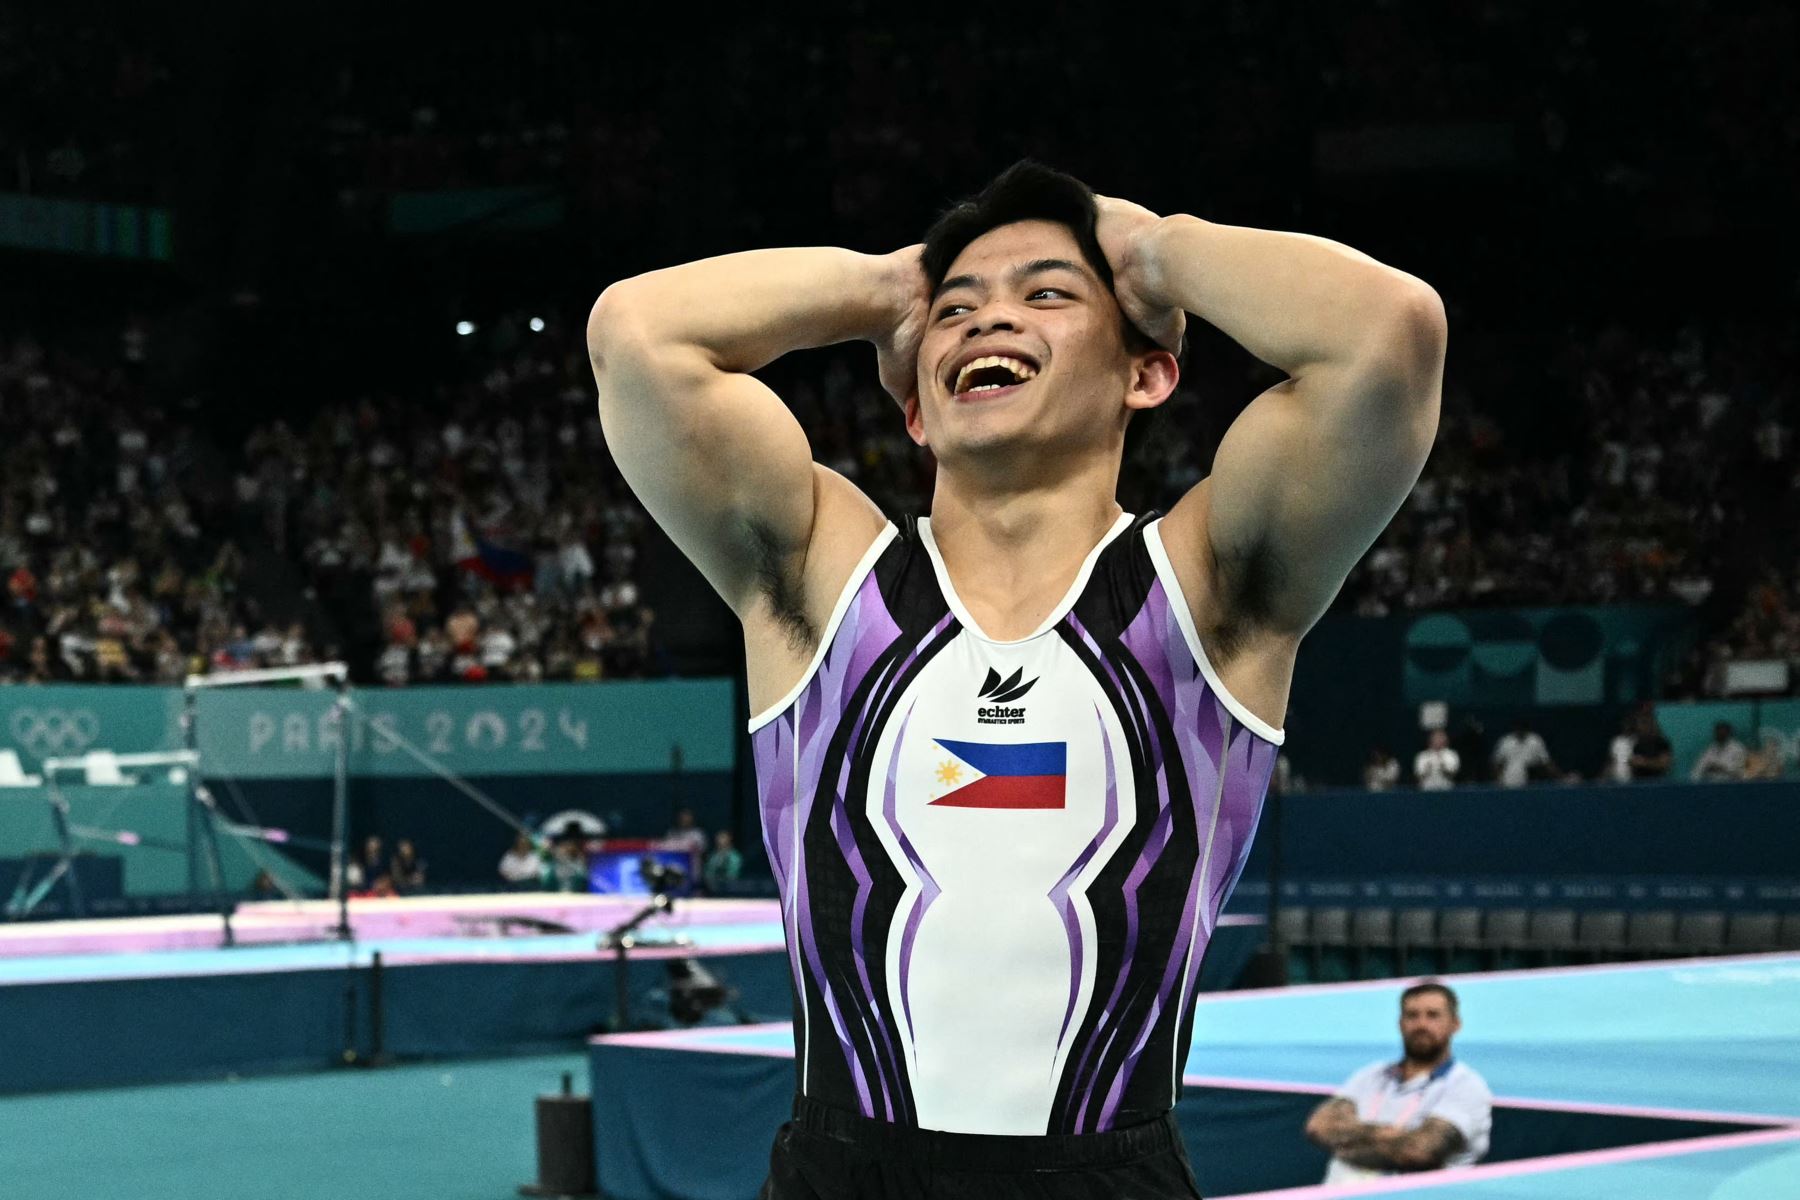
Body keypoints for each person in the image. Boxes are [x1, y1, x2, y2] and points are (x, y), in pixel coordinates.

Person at [590, 160, 1445, 1196]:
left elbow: (1388, 335)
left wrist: (1146, 250)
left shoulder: (1207, 591)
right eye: (958, 311)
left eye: (1046, 294)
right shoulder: (823, 582)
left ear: (1148, 372)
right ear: (914, 407)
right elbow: (638, 337)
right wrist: (888, 289)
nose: (988, 321)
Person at [1303, 982, 1493, 1182]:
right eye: (1412, 1015)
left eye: (1433, 1015)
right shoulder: (1372, 1075)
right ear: (1400, 1023)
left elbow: (1419, 1151)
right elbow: (1319, 1126)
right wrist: (1388, 1134)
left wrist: (1346, 1145)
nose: (1421, 1025)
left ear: (1455, 1024)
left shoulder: (1466, 1086)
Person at [1490, 718, 1553, 788]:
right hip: (1508, 782)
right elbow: (1496, 763)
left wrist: (1561, 778)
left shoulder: (1535, 740)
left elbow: (1546, 763)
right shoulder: (1505, 741)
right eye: (1517, 728)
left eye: (1522, 728)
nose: (1519, 731)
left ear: (1526, 729)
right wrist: (1499, 780)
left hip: (1531, 782)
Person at [1629, 710, 1673, 779]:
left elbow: (1664, 764)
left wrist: (1644, 762)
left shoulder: (1661, 742)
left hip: (1657, 783)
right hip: (1639, 783)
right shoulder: (1637, 743)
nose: (1640, 727)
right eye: (1639, 724)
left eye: (1644, 723)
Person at [703, 829, 743, 895]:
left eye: (723, 837)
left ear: (729, 839)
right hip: (712, 890)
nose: (721, 840)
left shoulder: (735, 856)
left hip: (732, 890)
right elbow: (708, 872)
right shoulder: (713, 856)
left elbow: (733, 874)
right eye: (719, 837)